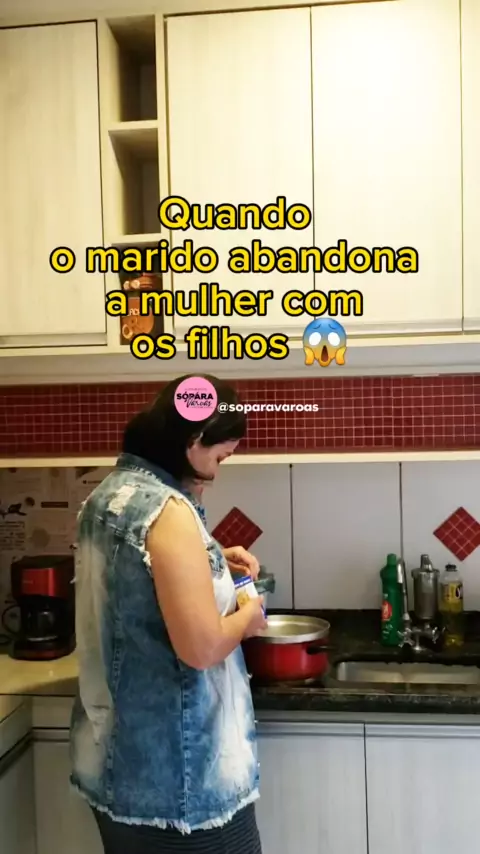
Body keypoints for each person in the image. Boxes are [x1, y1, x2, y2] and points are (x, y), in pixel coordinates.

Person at [69, 374, 267, 854]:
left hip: (113, 764)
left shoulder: (108, 494)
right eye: (221, 455)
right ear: (194, 439)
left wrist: (211, 555)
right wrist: (250, 615)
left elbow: (140, 577)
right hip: (181, 782)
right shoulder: (169, 511)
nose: (220, 467)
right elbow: (202, 647)